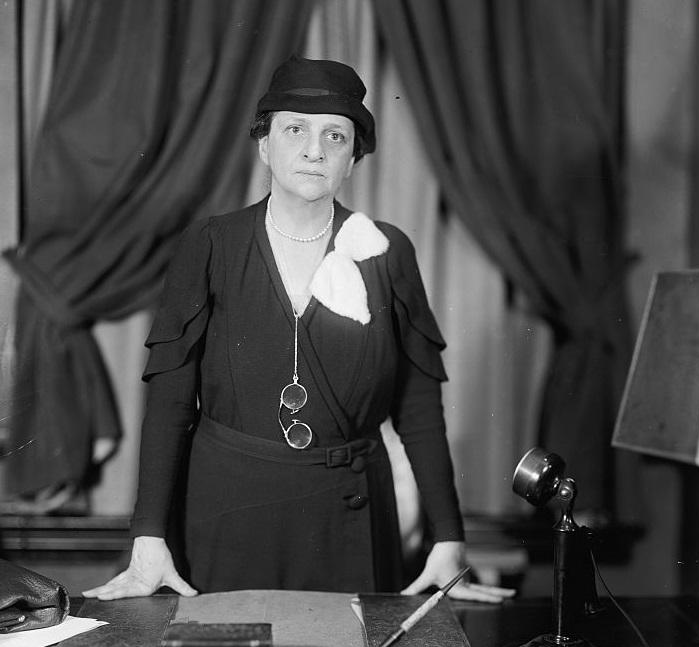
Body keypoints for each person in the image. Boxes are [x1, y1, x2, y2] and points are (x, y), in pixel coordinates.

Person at [83, 56, 514, 604]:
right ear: (265, 145)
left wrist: (448, 539)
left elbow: (419, 410)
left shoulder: (387, 252)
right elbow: (169, 404)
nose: (315, 149)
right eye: (295, 129)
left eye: (335, 135)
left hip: (349, 521)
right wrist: (148, 537)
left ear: (353, 158)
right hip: (227, 517)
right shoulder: (210, 244)